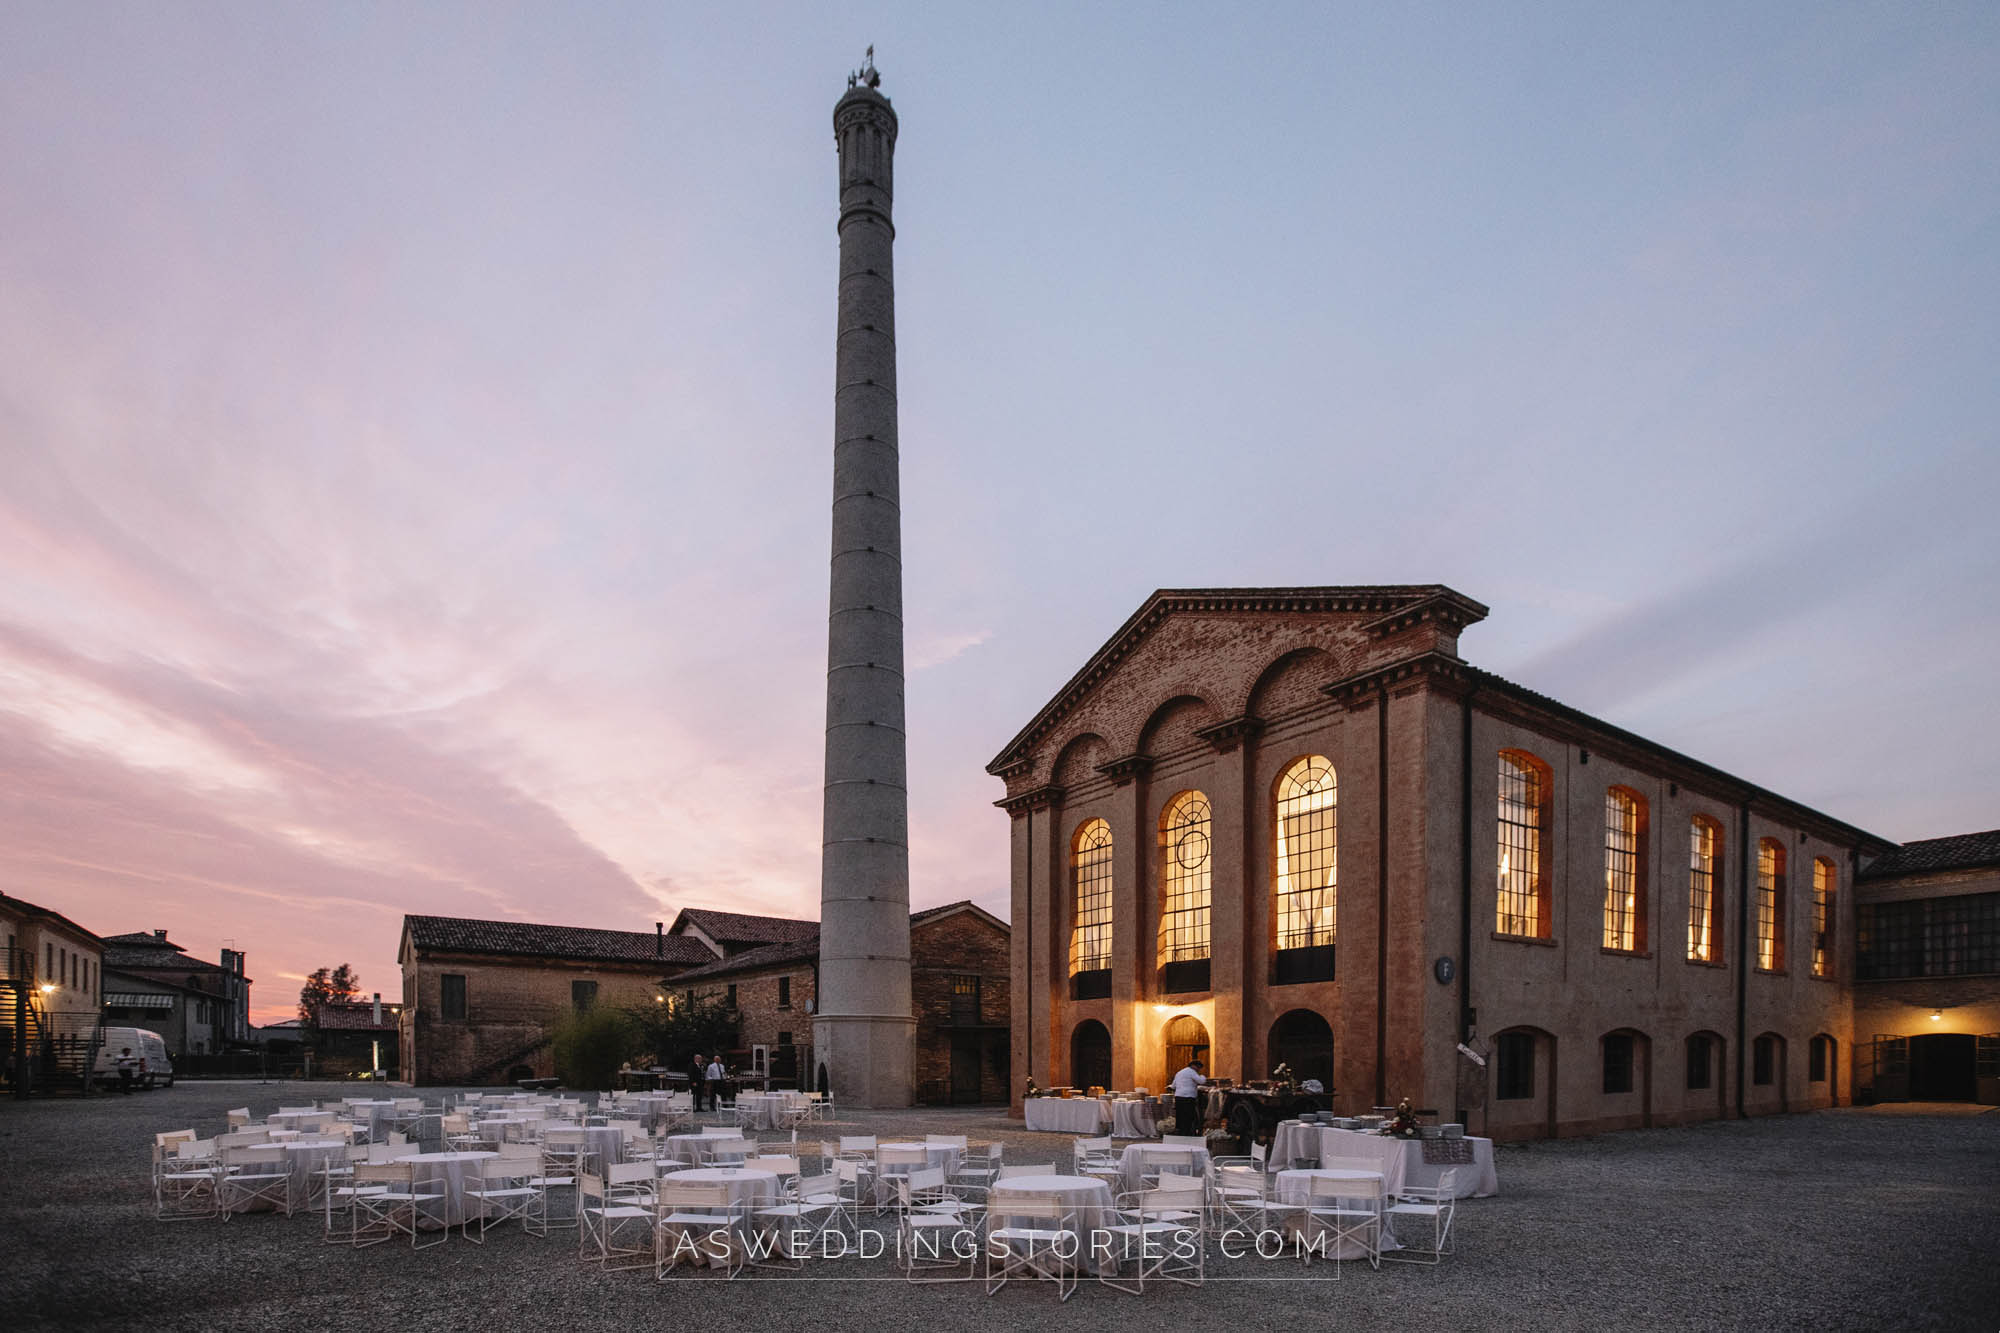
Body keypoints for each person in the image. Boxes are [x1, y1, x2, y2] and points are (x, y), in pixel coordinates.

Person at [1170, 1055, 1206, 1136]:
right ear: (1194, 1066)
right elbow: (1201, 1081)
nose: (1198, 1070)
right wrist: (1202, 1076)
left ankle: (1180, 1132)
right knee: (1188, 1115)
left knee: (1180, 1115)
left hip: (1178, 1097)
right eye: (1199, 1068)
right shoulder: (1192, 1072)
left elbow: (1173, 1086)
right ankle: (1187, 1133)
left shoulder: (1179, 1072)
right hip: (1188, 1097)